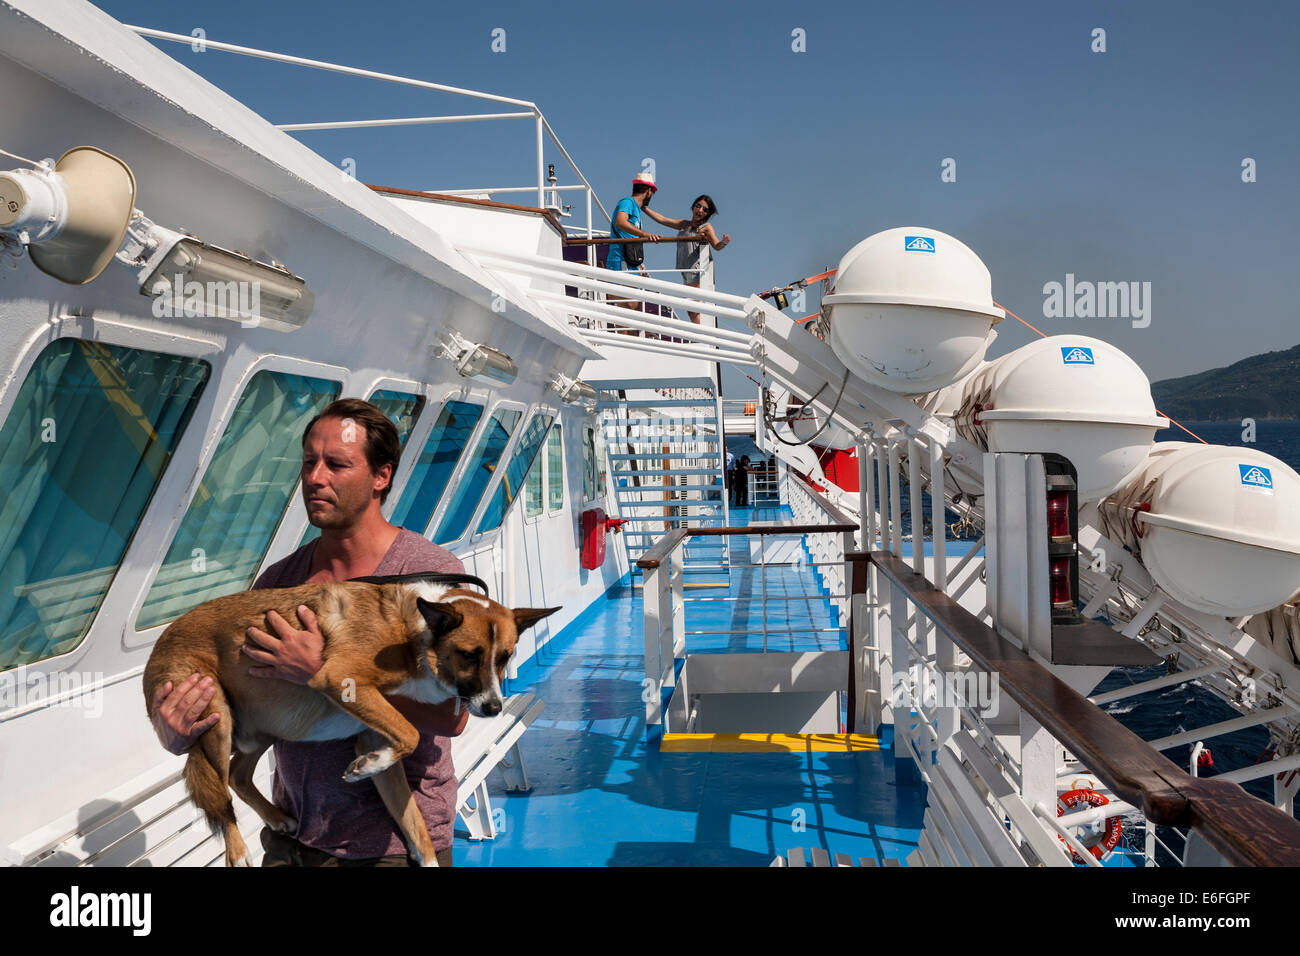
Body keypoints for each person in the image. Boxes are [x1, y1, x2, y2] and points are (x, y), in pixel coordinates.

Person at [149, 398, 468, 867]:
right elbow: (256, 704)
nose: (315, 478)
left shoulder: (428, 577)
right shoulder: (279, 583)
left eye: (337, 464)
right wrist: (179, 730)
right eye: (309, 463)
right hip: (295, 837)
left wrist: (325, 672)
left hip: (391, 850)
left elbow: (454, 717)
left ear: (381, 476)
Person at [644, 194, 731, 323]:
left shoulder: (706, 227)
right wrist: (644, 208)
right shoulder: (684, 224)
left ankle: (702, 338)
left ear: (707, 214)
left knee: (693, 309)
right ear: (693, 207)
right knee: (692, 310)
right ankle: (703, 337)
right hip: (686, 272)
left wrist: (724, 242)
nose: (700, 210)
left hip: (697, 272)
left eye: (705, 209)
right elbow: (662, 219)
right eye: (698, 206)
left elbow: (716, 246)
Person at [605, 171, 665, 311]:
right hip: (620, 260)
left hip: (630, 261)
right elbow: (620, 222)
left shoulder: (636, 208)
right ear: (649, 191)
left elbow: (662, 219)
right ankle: (620, 333)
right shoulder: (627, 202)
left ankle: (622, 333)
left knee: (631, 306)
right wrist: (645, 234)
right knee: (628, 305)